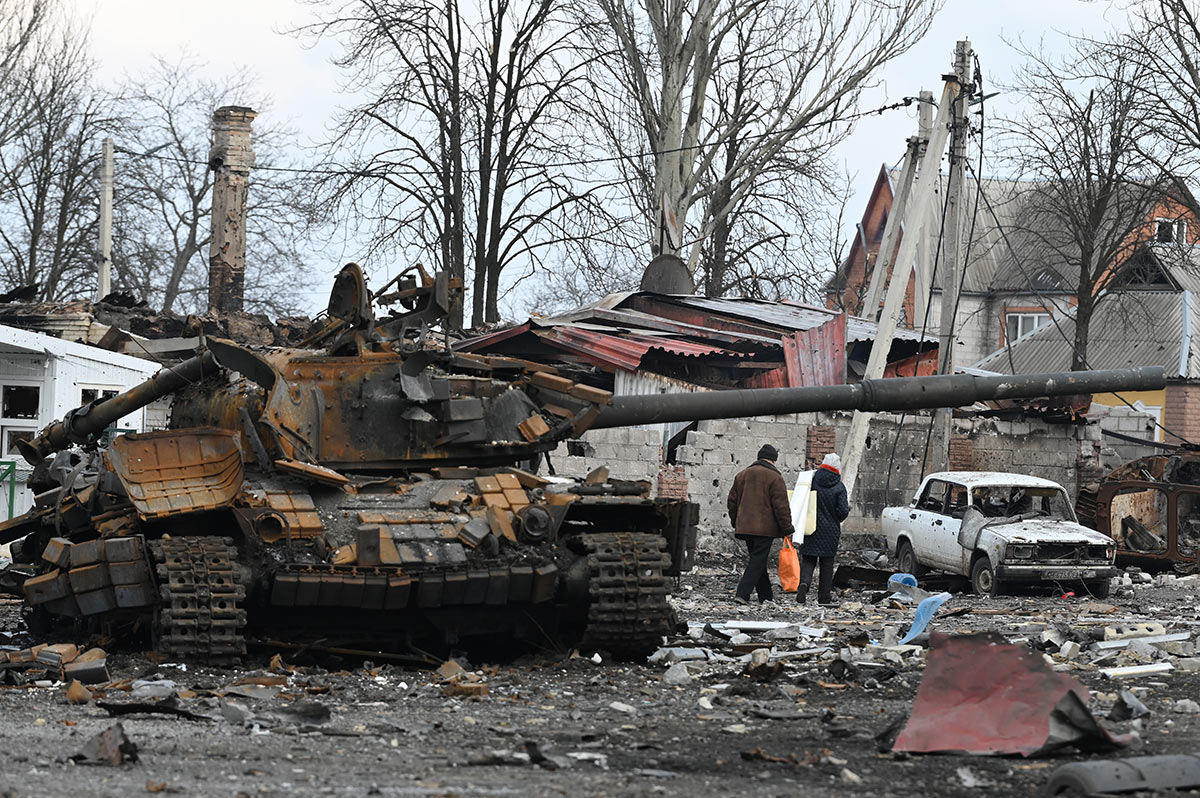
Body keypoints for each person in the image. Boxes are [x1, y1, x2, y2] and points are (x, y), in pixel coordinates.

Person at [727, 444, 795, 605]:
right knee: (757, 561)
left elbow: (732, 502)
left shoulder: (741, 475)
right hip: (765, 529)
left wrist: (736, 521)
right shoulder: (775, 477)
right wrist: (787, 528)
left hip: (745, 527)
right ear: (774, 460)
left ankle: (766, 596)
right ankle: (742, 594)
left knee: (758, 560)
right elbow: (781, 507)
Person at [797, 452, 850, 605]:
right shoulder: (839, 486)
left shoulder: (812, 481)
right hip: (830, 532)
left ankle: (805, 583)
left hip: (810, 527)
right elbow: (842, 512)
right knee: (827, 565)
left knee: (808, 560)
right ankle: (824, 598)